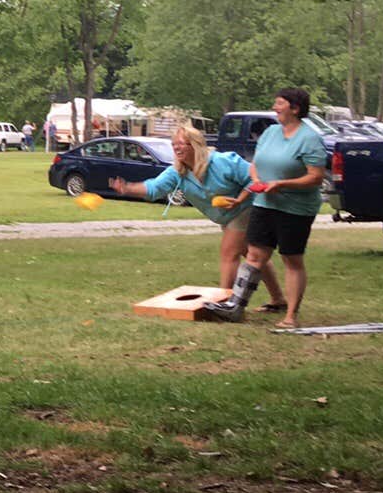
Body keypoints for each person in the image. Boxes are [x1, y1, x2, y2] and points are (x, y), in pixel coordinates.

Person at [107, 126, 284, 312]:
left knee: (228, 252)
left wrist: (240, 198)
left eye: (181, 143)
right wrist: (127, 188)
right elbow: (154, 188)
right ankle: (278, 300)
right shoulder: (178, 172)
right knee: (252, 255)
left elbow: (255, 179)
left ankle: (224, 302)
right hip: (228, 217)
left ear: (195, 145)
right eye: (173, 144)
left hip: (249, 207)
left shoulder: (223, 162)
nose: (176, 148)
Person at [203, 88, 328, 326]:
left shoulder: (309, 139)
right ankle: (235, 307)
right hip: (263, 203)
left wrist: (282, 184)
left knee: (291, 259)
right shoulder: (271, 132)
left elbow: (315, 177)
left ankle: (290, 316)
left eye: (279, 103)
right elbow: (254, 164)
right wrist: (258, 180)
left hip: (295, 208)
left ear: (295, 108)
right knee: (254, 255)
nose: (274, 107)